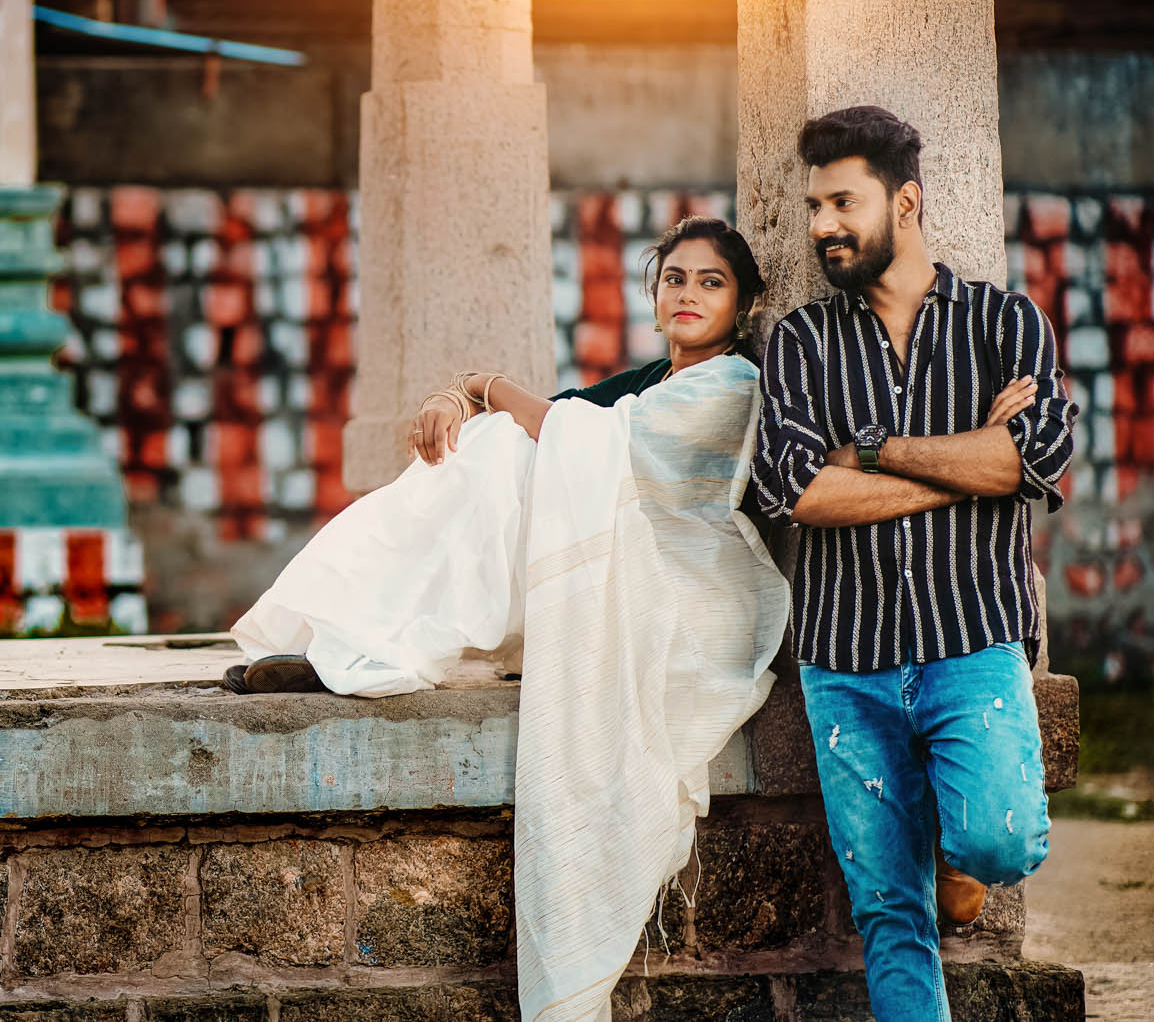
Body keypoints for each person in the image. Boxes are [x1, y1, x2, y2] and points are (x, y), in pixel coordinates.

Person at [228, 216, 792, 1022]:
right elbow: (564, 421)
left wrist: (484, 385)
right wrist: (456, 398)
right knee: (491, 447)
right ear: (655, 294)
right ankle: (361, 642)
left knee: (499, 446)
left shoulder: (731, 382)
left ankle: (368, 644)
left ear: (740, 303)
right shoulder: (653, 379)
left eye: (711, 281)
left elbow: (578, 437)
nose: (689, 293)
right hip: (637, 574)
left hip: (694, 601)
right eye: (675, 278)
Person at [749, 105, 1077, 1022]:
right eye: (814, 206)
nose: (822, 225)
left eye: (842, 202)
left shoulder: (1005, 324)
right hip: (843, 663)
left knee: (1000, 838)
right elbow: (802, 492)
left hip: (972, 641)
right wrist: (971, 463)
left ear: (907, 200)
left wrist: (873, 447)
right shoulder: (803, 343)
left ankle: (958, 863)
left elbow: (1033, 460)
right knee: (890, 912)